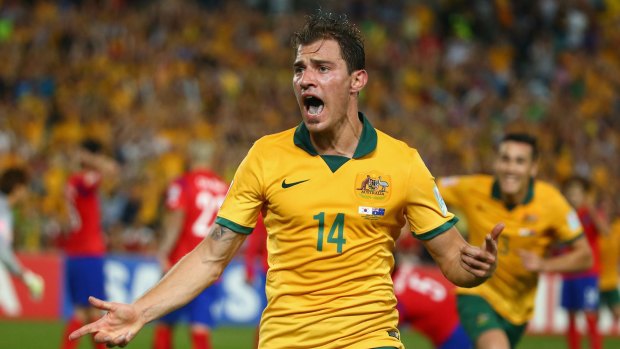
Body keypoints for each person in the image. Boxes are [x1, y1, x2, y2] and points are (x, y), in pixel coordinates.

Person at [69, 11, 503, 349]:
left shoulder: (402, 163)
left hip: (369, 338)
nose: (305, 79)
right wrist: (141, 311)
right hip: (285, 339)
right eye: (299, 69)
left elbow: (451, 259)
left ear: (357, 81)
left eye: (322, 68)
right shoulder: (266, 155)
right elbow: (211, 256)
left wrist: (474, 267)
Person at [437, 133, 594, 349]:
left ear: (533, 167)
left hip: (519, 310)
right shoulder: (472, 187)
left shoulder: (552, 202)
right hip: (477, 292)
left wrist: (544, 265)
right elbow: (427, 189)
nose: (511, 168)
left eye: (520, 161)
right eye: (505, 159)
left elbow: (585, 256)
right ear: (496, 162)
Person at [153, 143, 228, 349]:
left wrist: (163, 252)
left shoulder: (183, 183)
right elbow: (226, 228)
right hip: (209, 265)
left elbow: (176, 220)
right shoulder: (224, 187)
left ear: (191, 158)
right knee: (200, 329)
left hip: (180, 264)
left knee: (165, 324)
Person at [60, 139, 119, 349]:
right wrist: (90, 158)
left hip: (75, 251)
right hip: (89, 252)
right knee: (92, 311)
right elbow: (112, 169)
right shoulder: (83, 180)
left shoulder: (70, 181)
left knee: (81, 311)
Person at [393, 231, 472, 349]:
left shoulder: (395, 293)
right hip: (465, 304)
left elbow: (385, 327)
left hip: (450, 329)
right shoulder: (408, 268)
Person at [560, 176, 608, 349]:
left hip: (588, 273)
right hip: (569, 272)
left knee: (590, 314)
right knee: (571, 316)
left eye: (576, 193)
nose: (573, 196)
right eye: (570, 193)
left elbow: (605, 231)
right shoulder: (565, 215)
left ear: (583, 195)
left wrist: (591, 209)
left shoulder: (590, 213)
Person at [0, 167, 44, 304]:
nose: (27, 194)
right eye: (26, 188)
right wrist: (25, 275)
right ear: (17, 188)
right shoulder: (2, 209)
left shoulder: (7, 210)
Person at [599, 212, 620, 335]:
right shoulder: (597, 232)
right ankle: (597, 334)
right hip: (596, 278)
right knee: (594, 313)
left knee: (617, 311)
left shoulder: (617, 229)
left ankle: (612, 330)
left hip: (610, 279)